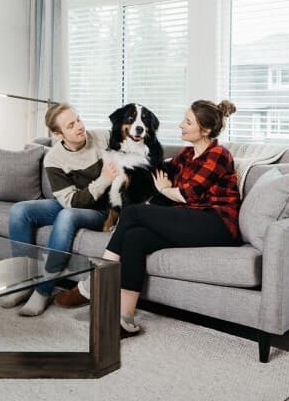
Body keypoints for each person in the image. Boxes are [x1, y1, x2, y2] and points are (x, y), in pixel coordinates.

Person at [55, 100, 242, 337]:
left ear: (204, 130)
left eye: (187, 122)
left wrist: (164, 189)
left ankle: (97, 280)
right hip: (190, 218)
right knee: (135, 237)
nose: (180, 125)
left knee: (132, 213)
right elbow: (156, 171)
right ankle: (125, 319)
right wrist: (127, 165)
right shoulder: (186, 155)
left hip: (217, 223)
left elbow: (187, 194)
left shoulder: (218, 154)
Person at [2, 103, 118, 316]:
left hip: (101, 210)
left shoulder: (103, 138)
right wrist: (103, 180)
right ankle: (24, 282)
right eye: (71, 125)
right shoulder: (54, 158)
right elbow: (72, 201)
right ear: (58, 134)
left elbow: (133, 141)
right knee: (19, 211)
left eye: (79, 120)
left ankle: (43, 289)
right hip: (73, 203)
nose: (80, 127)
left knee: (66, 216)